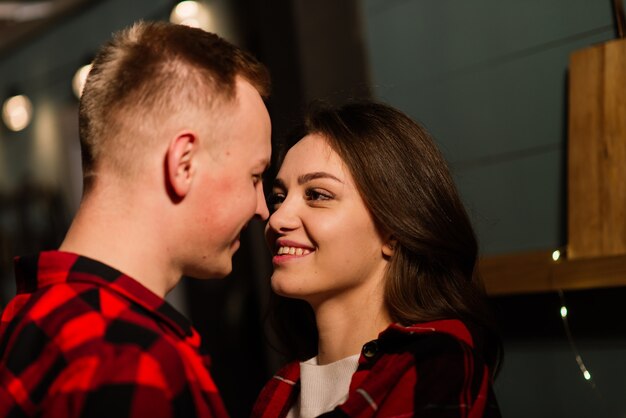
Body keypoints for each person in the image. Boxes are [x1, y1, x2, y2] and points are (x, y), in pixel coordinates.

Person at [0, 21, 271, 417]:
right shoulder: (131, 358)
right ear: (184, 163)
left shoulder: (23, 320)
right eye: (255, 176)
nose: (262, 208)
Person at [252, 101, 502, 418]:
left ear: (392, 231)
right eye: (278, 198)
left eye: (317, 195)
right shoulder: (279, 392)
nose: (277, 219)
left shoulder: (439, 367)